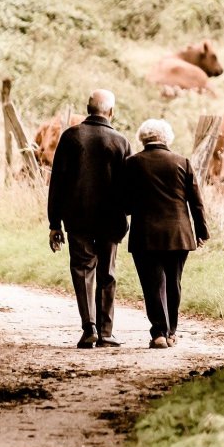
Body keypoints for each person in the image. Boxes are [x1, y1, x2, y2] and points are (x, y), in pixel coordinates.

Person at [48, 89, 131, 349]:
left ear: (87, 108)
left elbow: (57, 183)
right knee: (107, 273)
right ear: (111, 112)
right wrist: (125, 213)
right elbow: (129, 185)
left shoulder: (71, 137)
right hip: (111, 219)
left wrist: (54, 223)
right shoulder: (120, 141)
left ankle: (89, 328)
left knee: (83, 271)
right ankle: (106, 333)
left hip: (77, 218)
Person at [123, 119, 209, 349]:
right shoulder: (183, 162)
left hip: (145, 235)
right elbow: (196, 203)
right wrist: (201, 231)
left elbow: (125, 204)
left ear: (143, 138)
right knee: (174, 282)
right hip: (179, 234)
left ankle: (159, 333)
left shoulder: (132, 163)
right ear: (167, 138)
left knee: (152, 284)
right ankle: (171, 332)